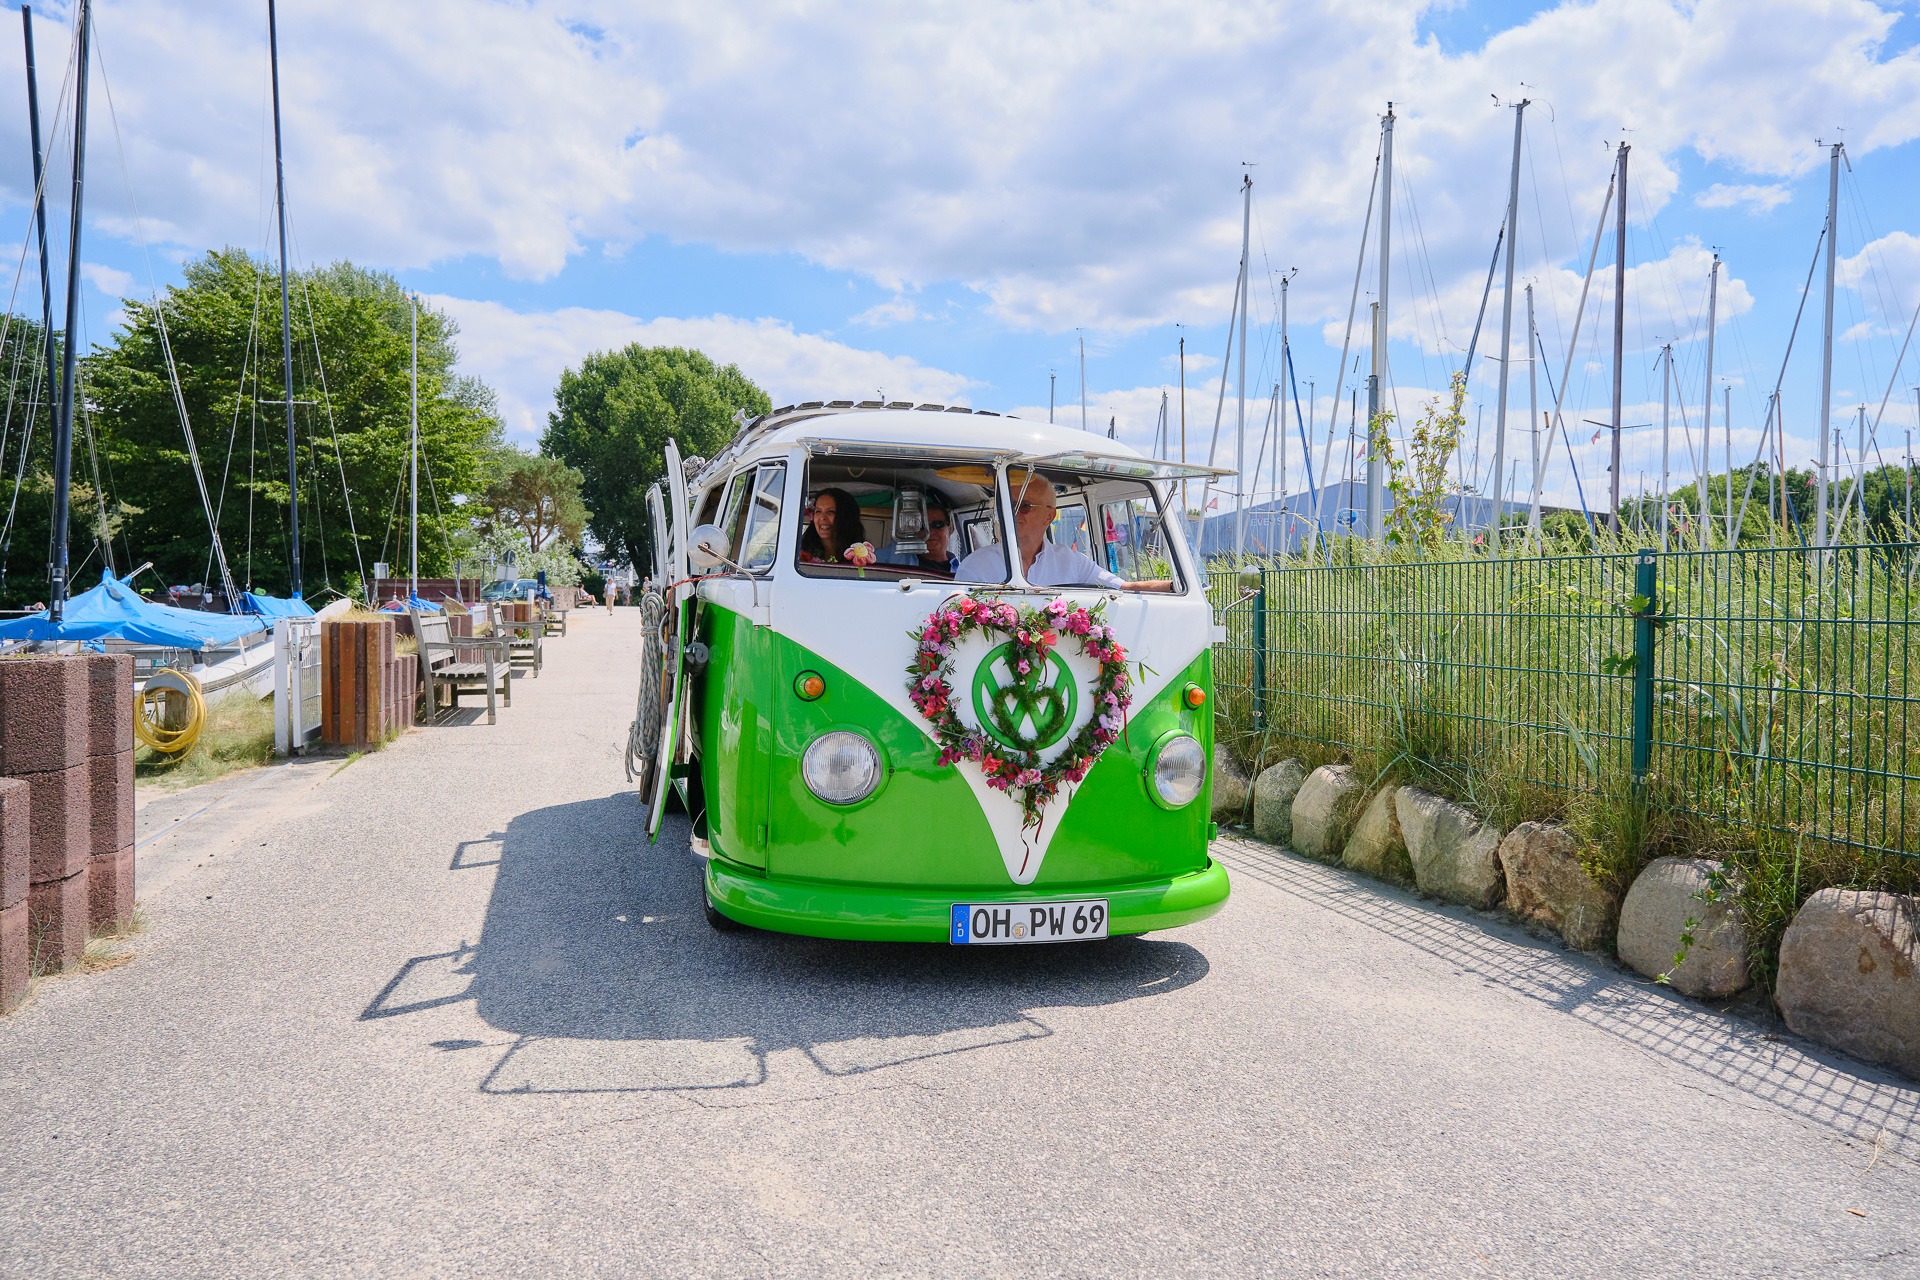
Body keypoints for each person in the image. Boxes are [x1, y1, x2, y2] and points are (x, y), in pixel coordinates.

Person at [955, 479, 1174, 591]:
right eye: (1007, 507)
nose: (1012, 514)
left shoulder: (1071, 561)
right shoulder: (974, 567)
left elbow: (1122, 588)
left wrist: (1175, 587)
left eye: (1024, 506)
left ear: (1049, 516)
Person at [878, 494, 957, 577]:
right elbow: (866, 558)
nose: (929, 531)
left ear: (950, 529)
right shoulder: (895, 555)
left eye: (937, 524)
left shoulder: (963, 569)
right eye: (922, 526)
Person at [798, 487, 867, 564]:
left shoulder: (862, 556)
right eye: (818, 511)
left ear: (846, 518)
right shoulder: (799, 554)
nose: (822, 517)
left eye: (830, 511)